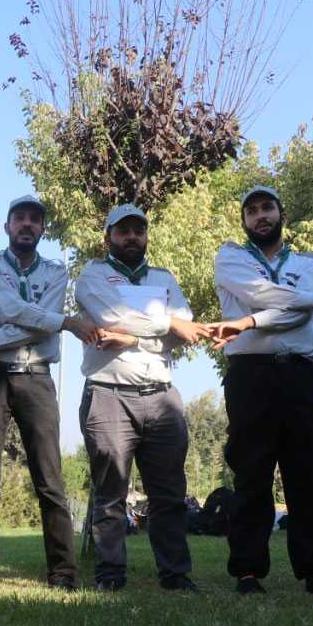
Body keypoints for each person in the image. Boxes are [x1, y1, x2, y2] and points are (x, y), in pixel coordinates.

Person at [210, 185, 313, 597]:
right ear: (244, 221)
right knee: (251, 471)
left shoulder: (308, 263)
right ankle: (247, 572)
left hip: (300, 374)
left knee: (308, 474)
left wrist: (254, 320)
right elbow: (261, 295)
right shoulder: (230, 257)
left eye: (267, 208)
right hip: (250, 374)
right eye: (251, 211)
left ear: (281, 215)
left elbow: (295, 314)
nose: (260, 216)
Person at [0, 194, 100, 590]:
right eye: (20, 218)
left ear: (43, 229)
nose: (27, 224)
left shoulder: (56, 271)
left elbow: (39, 326)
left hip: (37, 376)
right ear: (7, 226)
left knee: (50, 478)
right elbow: (15, 312)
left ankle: (63, 573)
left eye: (35, 219)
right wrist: (64, 321)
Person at [75, 204, 209, 592]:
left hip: (162, 397)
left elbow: (187, 331)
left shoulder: (163, 277)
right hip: (109, 394)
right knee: (111, 493)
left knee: (169, 494)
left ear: (147, 236)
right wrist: (166, 324)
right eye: (123, 230)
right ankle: (110, 575)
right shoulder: (93, 274)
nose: (132, 236)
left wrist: (132, 337)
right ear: (108, 237)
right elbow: (110, 316)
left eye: (139, 230)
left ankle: (175, 575)